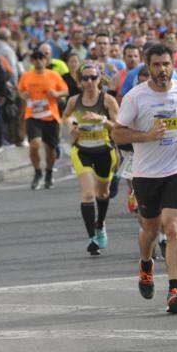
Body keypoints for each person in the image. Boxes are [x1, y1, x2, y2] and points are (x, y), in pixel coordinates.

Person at [113, 43, 177, 314]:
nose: (163, 70)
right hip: (146, 173)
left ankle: (174, 290)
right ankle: (146, 264)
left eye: (166, 64)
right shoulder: (135, 97)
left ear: (173, 64)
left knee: (173, 227)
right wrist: (146, 136)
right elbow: (117, 134)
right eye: (157, 65)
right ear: (147, 66)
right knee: (150, 230)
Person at [61, 63, 120, 256]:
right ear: (79, 81)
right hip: (82, 151)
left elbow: (119, 127)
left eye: (93, 78)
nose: (89, 82)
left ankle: (100, 223)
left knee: (103, 193)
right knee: (88, 193)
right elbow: (66, 117)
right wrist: (71, 127)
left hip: (104, 151)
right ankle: (92, 238)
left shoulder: (108, 100)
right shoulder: (74, 101)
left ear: (99, 79)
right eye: (85, 78)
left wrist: (101, 120)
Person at [18, 49, 69, 190]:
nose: (39, 60)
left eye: (41, 58)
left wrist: (57, 93)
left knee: (51, 148)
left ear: (45, 60)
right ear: (32, 61)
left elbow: (65, 91)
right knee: (34, 144)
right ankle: (37, 172)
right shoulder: (26, 76)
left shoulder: (54, 75)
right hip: (32, 116)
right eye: (35, 58)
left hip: (50, 116)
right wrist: (24, 95)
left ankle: (49, 172)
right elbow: (20, 91)